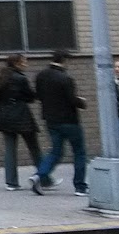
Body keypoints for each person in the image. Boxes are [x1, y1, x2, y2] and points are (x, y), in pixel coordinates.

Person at [31, 50, 88, 196]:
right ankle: (80, 186)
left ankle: (39, 175)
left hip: (51, 119)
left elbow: (38, 95)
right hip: (69, 120)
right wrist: (82, 102)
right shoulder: (65, 78)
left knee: (55, 151)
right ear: (64, 60)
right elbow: (72, 100)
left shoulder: (41, 76)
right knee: (79, 152)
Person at [0, 54, 41, 191]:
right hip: (21, 115)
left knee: (10, 149)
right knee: (34, 147)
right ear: (17, 63)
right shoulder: (20, 78)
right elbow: (30, 96)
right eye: (24, 62)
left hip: (4, 115)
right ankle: (44, 177)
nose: (26, 64)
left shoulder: (2, 77)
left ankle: (11, 182)